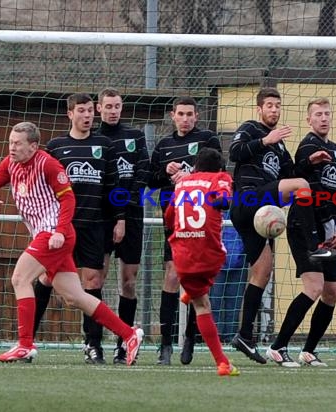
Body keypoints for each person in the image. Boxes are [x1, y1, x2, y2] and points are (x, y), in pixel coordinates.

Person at [0, 121, 143, 365]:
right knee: (75, 297)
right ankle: (129, 334)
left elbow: (68, 199)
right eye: (11, 142)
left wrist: (60, 231)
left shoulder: (48, 164)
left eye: (18, 143)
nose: (11, 148)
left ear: (33, 146)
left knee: (19, 279)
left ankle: (25, 345)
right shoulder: (10, 163)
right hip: (46, 236)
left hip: (54, 234)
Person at [229, 89, 336, 364]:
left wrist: (309, 162)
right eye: (269, 105)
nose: (274, 110)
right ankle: (314, 245)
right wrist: (264, 140)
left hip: (259, 213)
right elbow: (234, 152)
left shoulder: (280, 147)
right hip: (248, 197)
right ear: (260, 109)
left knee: (262, 272)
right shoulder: (250, 129)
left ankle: (244, 336)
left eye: (278, 106)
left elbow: (291, 175)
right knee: (302, 187)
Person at [32, 92, 124, 364]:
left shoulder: (104, 145)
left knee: (92, 281)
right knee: (46, 279)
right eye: (81, 111)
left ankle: (92, 344)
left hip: (94, 225)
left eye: (89, 111)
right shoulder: (56, 146)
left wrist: (120, 219)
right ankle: (26, 342)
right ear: (70, 114)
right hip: (61, 226)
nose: (86, 116)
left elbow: (113, 186)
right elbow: (43, 185)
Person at [266, 98, 336, 367]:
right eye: (318, 114)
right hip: (304, 226)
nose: (323, 118)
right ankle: (278, 347)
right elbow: (298, 182)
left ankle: (309, 351)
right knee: (314, 287)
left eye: (327, 113)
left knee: (332, 291)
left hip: (327, 227)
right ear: (308, 120)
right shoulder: (307, 147)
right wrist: (310, 163)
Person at [148, 96, 222, 365]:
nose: (186, 118)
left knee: (198, 286)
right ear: (172, 116)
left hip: (201, 222)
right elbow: (150, 179)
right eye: (181, 114)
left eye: (190, 114)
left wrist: (190, 177)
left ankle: (190, 338)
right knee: (171, 276)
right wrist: (167, 173)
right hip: (175, 222)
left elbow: (219, 172)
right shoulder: (165, 145)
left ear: (197, 116)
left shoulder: (208, 140)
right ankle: (165, 345)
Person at [164, 147, 239, 376]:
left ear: (195, 167)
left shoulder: (182, 184)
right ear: (219, 168)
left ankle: (191, 291)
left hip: (182, 256)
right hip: (209, 254)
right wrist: (217, 202)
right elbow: (224, 200)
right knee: (202, 305)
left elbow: (168, 217)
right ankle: (223, 363)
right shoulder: (221, 177)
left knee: (196, 290)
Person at [94, 88, 150, 364]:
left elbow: (143, 173)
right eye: (108, 106)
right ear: (98, 108)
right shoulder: (94, 138)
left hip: (132, 214)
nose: (113, 111)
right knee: (96, 280)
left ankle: (123, 343)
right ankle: (93, 344)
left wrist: (124, 211)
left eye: (117, 106)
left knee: (128, 282)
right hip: (100, 217)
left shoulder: (136, 137)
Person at [210, 210, 248, 343]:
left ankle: (230, 336)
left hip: (240, 258)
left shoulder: (242, 202)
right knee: (214, 301)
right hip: (215, 259)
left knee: (234, 302)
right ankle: (215, 336)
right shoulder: (213, 200)